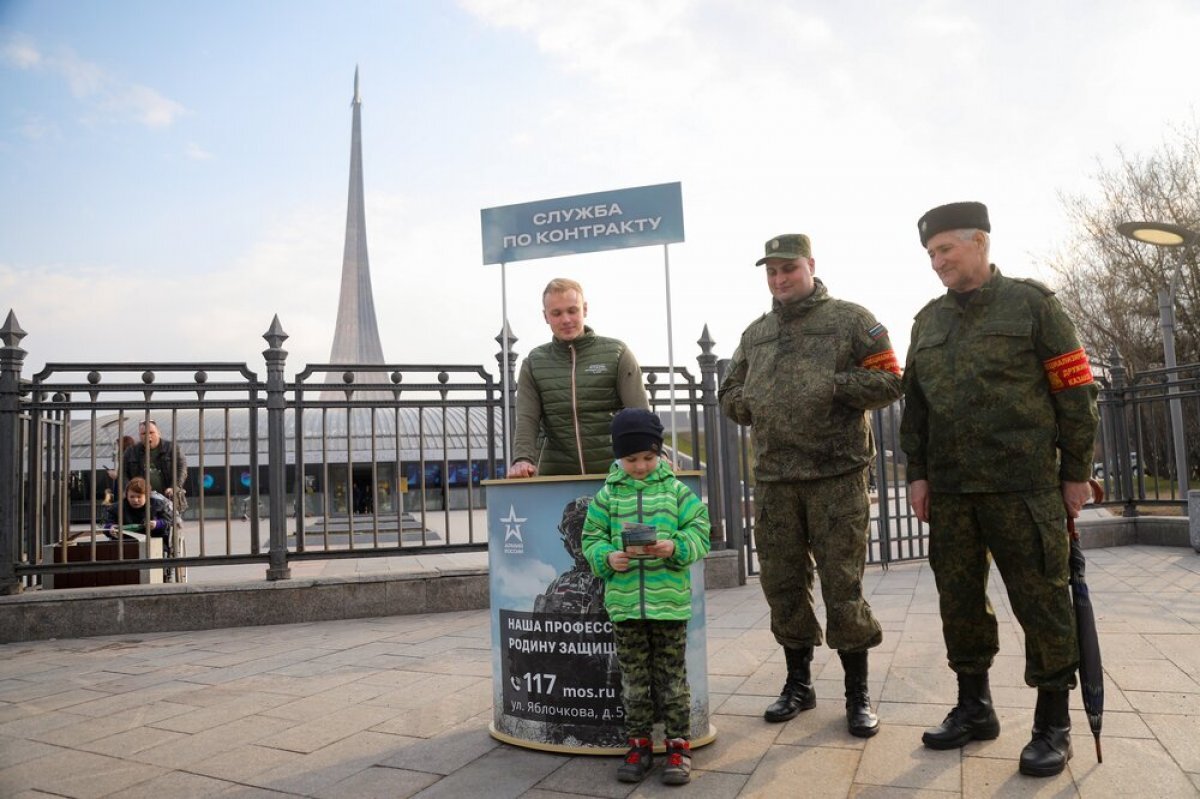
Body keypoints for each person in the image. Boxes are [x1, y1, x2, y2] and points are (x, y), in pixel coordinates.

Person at [899, 201, 1099, 778]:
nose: (936, 262)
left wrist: (1075, 473)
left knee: (1042, 601)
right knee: (958, 602)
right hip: (954, 494)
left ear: (979, 242)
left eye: (945, 250)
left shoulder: (1033, 306)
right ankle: (974, 707)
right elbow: (916, 409)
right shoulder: (927, 321)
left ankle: (1053, 723)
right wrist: (918, 472)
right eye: (930, 254)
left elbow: (1075, 393)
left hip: (1024, 488)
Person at [719, 233, 903, 738]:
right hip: (776, 480)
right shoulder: (756, 333)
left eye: (789, 270)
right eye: (772, 273)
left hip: (835, 477)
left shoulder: (850, 319)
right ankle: (798, 685)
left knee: (843, 587)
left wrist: (834, 385)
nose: (780, 280)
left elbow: (890, 380)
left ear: (811, 267)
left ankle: (857, 695)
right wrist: (748, 401)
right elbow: (730, 389)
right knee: (782, 586)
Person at [581, 408, 711, 785]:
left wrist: (676, 546)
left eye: (648, 458)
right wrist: (607, 558)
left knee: (672, 679)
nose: (640, 466)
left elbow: (700, 530)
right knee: (634, 680)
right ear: (619, 456)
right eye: (632, 458)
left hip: (668, 604)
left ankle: (677, 746)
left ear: (660, 453)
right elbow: (591, 539)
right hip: (625, 607)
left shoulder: (676, 490)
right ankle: (637, 745)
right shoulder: (607, 496)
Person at [508, 278, 650, 477]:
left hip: (615, 475)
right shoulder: (534, 362)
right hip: (556, 477)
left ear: (585, 309)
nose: (565, 319)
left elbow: (639, 413)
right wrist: (522, 459)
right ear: (545, 316)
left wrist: (655, 450)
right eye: (556, 313)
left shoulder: (617, 353)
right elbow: (526, 418)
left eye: (572, 310)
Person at [123, 420, 188, 519]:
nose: (147, 436)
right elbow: (123, 473)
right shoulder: (131, 451)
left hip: (168, 496)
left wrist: (175, 486)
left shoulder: (172, 448)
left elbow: (182, 468)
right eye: (143, 433)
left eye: (151, 432)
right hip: (142, 499)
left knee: (170, 525)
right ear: (139, 435)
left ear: (158, 433)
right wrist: (131, 490)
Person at [103, 477, 173, 556]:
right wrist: (110, 529)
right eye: (132, 497)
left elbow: (169, 522)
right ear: (127, 495)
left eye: (139, 497)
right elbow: (106, 526)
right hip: (125, 543)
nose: (135, 500)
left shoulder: (159, 505)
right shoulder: (116, 508)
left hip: (153, 541)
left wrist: (157, 524)